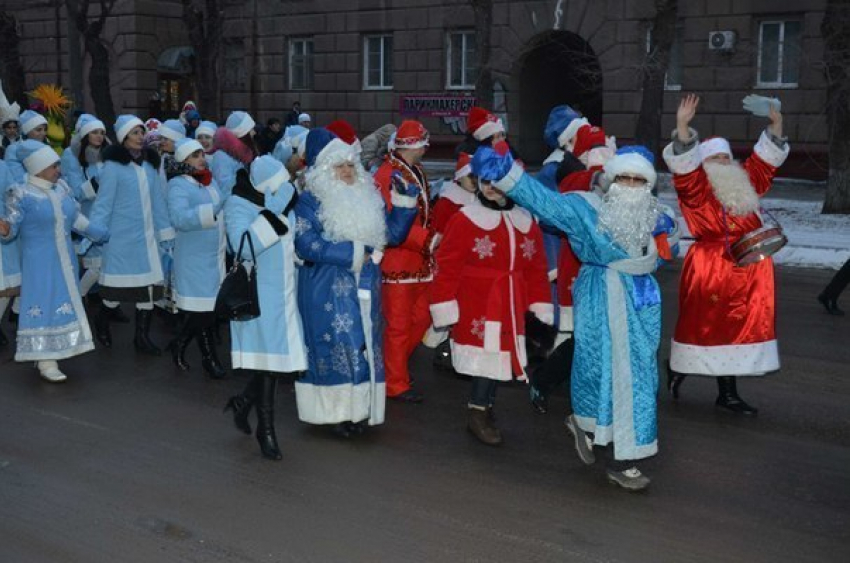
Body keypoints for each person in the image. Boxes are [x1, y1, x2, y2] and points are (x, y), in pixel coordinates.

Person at [476, 142, 678, 491]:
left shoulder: (657, 217)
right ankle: (585, 426)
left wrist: (664, 241)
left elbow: (665, 254)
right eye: (624, 179)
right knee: (598, 371)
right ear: (612, 181)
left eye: (638, 181)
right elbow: (546, 203)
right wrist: (509, 178)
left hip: (642, 304)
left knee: (639, 379)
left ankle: (623, 461)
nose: (630, 187)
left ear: (648, 185)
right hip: (601, 295)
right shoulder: (589, 210)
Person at [663, 94, 789, 415]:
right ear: (703, 164)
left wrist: (776, 125)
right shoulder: (697, 189)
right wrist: (682, 127)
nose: (721, 163)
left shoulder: (746, 182)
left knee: (737, 327)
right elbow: (685, 171)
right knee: (705, 325)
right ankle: (680, 367)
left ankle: (726, 393)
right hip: (711, 266)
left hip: (748, 263)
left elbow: (764, 163)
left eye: (725, 158)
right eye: (713, 159)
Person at [293, 129, 418, 437]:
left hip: (365, 285)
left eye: (351, 165)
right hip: (326, 285)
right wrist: (353, 252)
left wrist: (404, 206)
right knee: (338, 346)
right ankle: (336, 414)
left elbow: (390, 236)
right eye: (340, 166)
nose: (348, 172)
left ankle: (359, 410)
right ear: (324, 170)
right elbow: (306, 243)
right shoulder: (309, 201)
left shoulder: (367, 196)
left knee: (363, 346)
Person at [429, 147, 552, 446]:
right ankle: (477, 411)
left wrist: (540, 303)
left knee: (501, 358)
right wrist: (445, 304)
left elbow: (536, 267)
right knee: (484, 359)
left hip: (512, 302)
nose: (490, 189)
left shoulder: (525, 220)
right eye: (485, 182)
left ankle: (485, 406)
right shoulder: (466, 218)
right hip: (478, 302)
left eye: (497, 182)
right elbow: (447, 265)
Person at [0, 140, 108, 382]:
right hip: (39, 262)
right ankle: (46, 360)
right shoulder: (22, 193)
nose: (58, 170)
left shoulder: (61, 188)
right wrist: (4, 228)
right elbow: (12, 227)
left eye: (58, 164)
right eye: (53, 166)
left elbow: (75, 218)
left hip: (65, 260)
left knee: (61, 301)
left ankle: (48, 354)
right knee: (43, 302)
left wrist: (99, 232)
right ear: (37, 168)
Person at [222, 155, 305, 460]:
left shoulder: (278, 202)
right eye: (280, 182)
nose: (287, 187)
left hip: (284, 295)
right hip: (258, 298)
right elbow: (241, 247)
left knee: (275, 362)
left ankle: (244, 404)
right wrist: (274, 214)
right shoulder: (238, 203)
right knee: (270, 363)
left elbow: (289, 243)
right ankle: (265, 430)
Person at [88, 115, 176, 355]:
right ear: (123, 137)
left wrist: (165, 231)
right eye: (134, 133)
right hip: (121, 240)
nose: (140, 137)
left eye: (141, 132)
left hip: (147, 240)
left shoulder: (149, 165)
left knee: (149, 288)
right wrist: (95, 229)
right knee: (115, 291)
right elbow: (103, 203)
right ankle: (101, 320)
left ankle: (142, 338)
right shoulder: (113, 167)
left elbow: (158, 201)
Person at [373, 120, 435, 402]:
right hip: (397, 261)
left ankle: (390, 368)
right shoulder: (388, 174)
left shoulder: (415, 171)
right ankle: (394, 382)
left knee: (421, 318)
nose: (427, 146)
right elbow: (388, 222)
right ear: (416, 145)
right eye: (424, 142)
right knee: (398, 325)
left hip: (419, 262)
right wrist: (426, 239)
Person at [165, 138, 227, 378]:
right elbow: (179, 218)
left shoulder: (209, 183)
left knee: (206, 311)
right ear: (183, 161)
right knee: (203, 311)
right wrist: (211, 211)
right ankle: (209, 359)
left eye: (202, 153)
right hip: (193, 260)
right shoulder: (178, 185)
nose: (202, 158)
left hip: (214, 257)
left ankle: (180, 343)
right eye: (195, 155)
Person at [60, 114, 119, 304]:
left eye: (102, 132)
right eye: (94, 132)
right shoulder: (71, 154)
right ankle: (78, 297)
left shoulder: (109, 153)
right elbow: (75, 191)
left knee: (110, 263)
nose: (99, 136)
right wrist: (99, 182)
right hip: (88, 214)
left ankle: (106, 304)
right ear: (85, 135)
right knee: (97, 265)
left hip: (111, 214)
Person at [211, 111, 258, 198]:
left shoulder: (243, 153)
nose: (254, 132)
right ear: (243, 133)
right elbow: (224, 189)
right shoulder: (221, 156)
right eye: (251, 129)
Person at [0, 158, 19, 346]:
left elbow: (13, 197)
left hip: (1, 233)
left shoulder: (2, 167)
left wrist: (9, 221)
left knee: (5, 289)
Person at [5, 109, 49, 183]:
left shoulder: (46, 146)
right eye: (39, 130)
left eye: (45, 129)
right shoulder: (13, 149)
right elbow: (18, 179)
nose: (43, 133)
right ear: (27, 131)